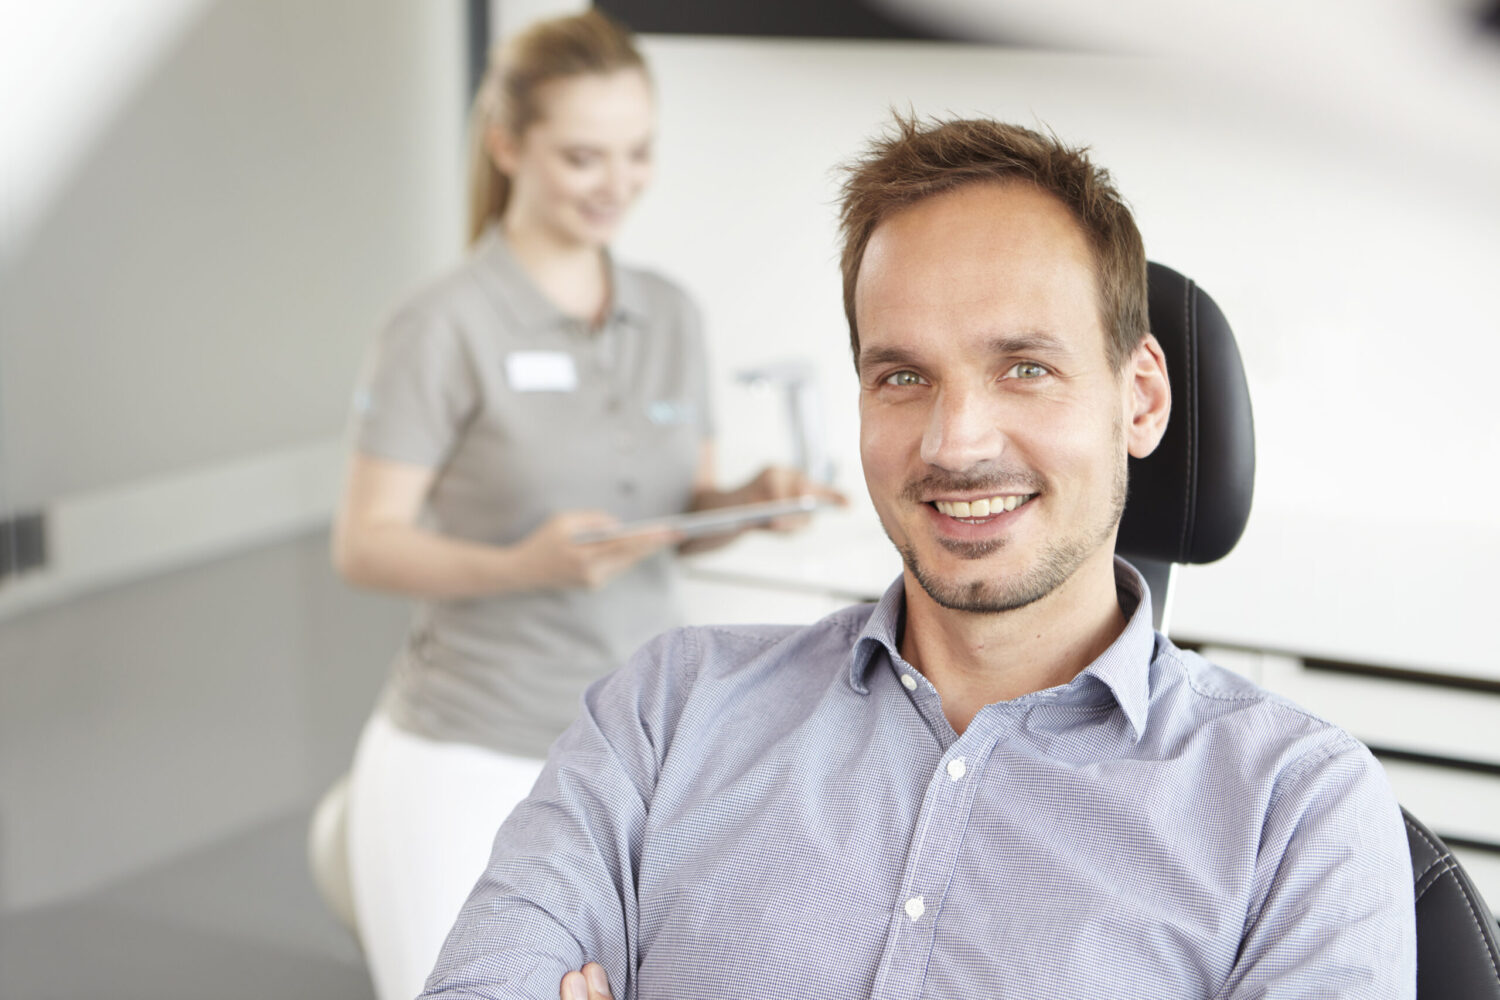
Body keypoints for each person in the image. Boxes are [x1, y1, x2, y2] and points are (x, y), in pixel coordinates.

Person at [419, 116, 1416, 1000]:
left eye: (1024, 367)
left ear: (1141, 397)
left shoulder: (1297, 807)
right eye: (902, 375)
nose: (953, 441)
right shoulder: (666, 711)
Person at [328, 12, 834, 1000]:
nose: (618, 182)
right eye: (583, 156)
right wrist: (527, 564)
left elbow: (670, 511)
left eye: (638, 153)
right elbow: (365, 544)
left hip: (634, 754)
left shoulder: (670, 312)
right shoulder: (441, 326)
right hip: (469, 745)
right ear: (508, 144)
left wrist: (745, 504)